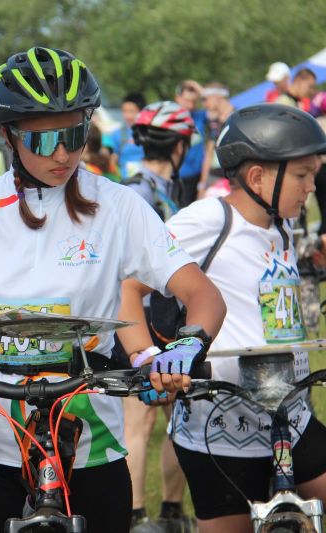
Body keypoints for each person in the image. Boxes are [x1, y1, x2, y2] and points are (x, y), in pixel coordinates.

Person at [0, 46, 226, 532]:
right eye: (43, 141)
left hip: (91, 434)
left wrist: (188, 345)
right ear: (8, 136)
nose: (62, 154)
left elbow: (204, 295)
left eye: (74, 135)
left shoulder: (118, 205)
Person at [158, 104, 326, 533]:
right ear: (256, 178)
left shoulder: (280, 226)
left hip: (289, 414)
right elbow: (133, 281)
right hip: (220, 427)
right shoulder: (208, 220)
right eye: (303, 175)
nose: (312, 186)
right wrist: (146, 354)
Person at [119, 101, 198, 532]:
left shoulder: (153, 188)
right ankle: (141, 515)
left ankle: (165, 512)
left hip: (154, 320)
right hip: (146, 322)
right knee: (147, 419)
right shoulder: (145, 193)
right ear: (179, 146)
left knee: (170, 419)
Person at [198, 82, 234, 199]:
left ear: (217, 96)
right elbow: (208, 154)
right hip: (213, 178)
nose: (203, 103)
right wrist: (202, 185)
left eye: (205, 99)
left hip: (232, 179)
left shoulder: (237, 118)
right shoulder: (213, 122)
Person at [174, 80, 207, 207]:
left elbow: (216, 105)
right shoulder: (170, 119)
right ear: (178, 98)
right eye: (187, 100)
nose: (190, 105)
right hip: (178, 177)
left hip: (198, 177)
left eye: (194, 101)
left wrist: (198, 88)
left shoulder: (199, 117)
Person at [104, 92, 146, 180]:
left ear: (142, 112)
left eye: (131, 111)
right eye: (124, 111)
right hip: (125, 182)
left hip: (147, 181)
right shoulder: (117, 134)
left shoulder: (151, 134)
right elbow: (112, 161)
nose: (127, 116)